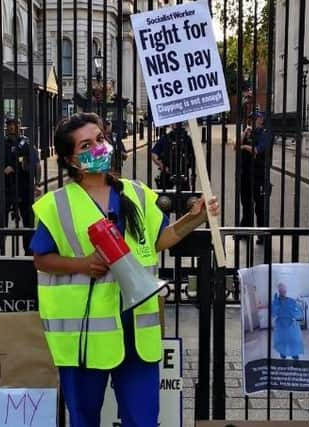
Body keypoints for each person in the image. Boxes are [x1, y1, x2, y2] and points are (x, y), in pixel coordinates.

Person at [30, 112, 219, 427]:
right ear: (69, 159)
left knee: (144, 420)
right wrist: (81, 264)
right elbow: (41, 258)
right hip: (85, 335)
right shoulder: (55, 204)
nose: (99, 148)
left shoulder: (135, 192)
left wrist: (196, 218)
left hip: (137, 331)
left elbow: (160, 240)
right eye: (86, 145)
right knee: (84, 420)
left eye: (100, 139)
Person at [0, 116, 41, 254]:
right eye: (9, 124)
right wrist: (2, 169)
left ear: (19, 126)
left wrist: (37, 183)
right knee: (1, 219)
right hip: (6, 186)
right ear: (6, 127)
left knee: (29, 220)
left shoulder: (27, 144)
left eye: (14, 124)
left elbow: (37, 164)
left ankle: (30, 252)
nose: (12, 127)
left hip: (24, 186)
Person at [238, 111, 272, 238]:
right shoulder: (248, 132)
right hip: (245, 174)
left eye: (256, 118)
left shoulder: (265, 134)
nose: (253, 121)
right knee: (246, 204)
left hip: (259, 175)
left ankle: (261, 234)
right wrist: (243, 134)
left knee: (260, 206)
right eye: (251, 118)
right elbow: (236, 146)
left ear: (261, 120)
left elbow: (257, 150)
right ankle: (244, 232)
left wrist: (244, 146)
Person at [151, 123, 195, 190]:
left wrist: (193, 173)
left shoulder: (187, 139)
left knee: (183, 197)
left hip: (182, 172)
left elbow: (192, 156)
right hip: (168, 172)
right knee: (166, 197)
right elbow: (154, 154)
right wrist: (162, 166)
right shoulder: (165, 138)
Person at [271, 282, 304, 360]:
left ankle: (296, 360)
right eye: (281, 291)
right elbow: (273, 314)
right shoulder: (276, 302)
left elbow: (299, 314)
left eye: (284, 290)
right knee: (282, 343)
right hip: (280, 326)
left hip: (291, 325)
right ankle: (283, 360)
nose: (282, 292)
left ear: (286, 290)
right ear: (279, 291)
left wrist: (298, 306)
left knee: (294, 342)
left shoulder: (291, 301)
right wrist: (275, 305)